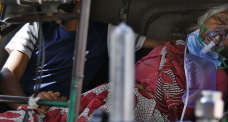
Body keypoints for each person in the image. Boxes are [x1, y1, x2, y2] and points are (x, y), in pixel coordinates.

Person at [0, 3, 228, 122]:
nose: (221, 32)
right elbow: (8, 73)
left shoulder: (217, 77)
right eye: (219, 21)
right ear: (204, 21)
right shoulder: (172, 48)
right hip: (100, 98)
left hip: (139, 118)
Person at [0, 0, 164, 112]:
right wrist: (28, 105)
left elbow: (155, 44)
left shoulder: (105, 32)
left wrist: (186, 42)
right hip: (24, 106)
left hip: (66, 112)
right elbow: (8, 74)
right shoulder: (36, 27)